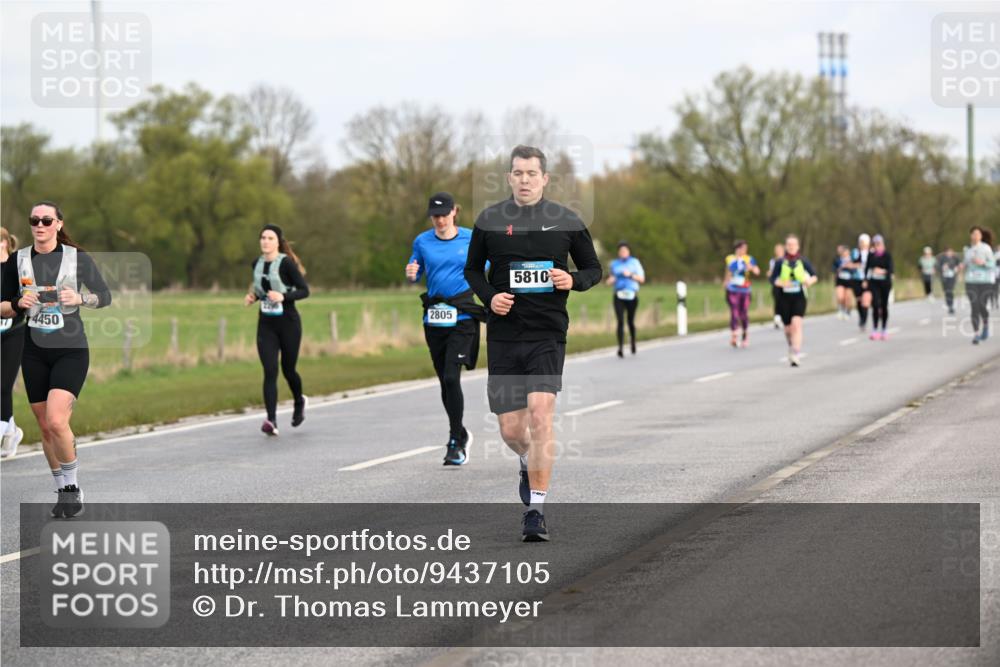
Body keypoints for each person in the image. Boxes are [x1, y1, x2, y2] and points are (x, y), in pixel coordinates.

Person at [464, 145, 602, 542]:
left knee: (541, 415)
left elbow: (593, 268)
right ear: (509, 177)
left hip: (547, 333)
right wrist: (490, 297)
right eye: (518, 173)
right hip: (504, 336)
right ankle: (526, 459)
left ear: (544, 178)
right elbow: (472, 271)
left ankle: (536, 511)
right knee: (511, 429)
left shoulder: (566, 220)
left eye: (531, 173)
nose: (524, 180)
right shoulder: (490, 220)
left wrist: (573, 280)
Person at [2, 201, 112, 517]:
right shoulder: (18, 260)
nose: (40, 225)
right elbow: (2, 306)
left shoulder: (77, 258)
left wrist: (79, 297)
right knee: (45, 427)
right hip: (34, 350)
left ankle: (74, 487)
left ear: (58, 224)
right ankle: (63, 490)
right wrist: (18, 303)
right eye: (34, 220)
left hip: (70, 349)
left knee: (56, 420)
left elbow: (104, 297)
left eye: (46, 220)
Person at [406, 192, 486, 466]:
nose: (439, 220)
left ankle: (455, 441)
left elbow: (488, 265)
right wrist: (412, 273)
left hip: (462, 316)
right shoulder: (422, 241)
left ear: (454, 212)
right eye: (435, 216)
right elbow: (416, 269)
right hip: (435, 318)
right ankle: (460, 431)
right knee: (444, 380)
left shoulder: (471, 238)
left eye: (443, 215)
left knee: (452, 377)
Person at [244, 224, 309, 436]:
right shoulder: (256, 263)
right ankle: (271, 420)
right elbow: (261, 288)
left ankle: (299, 401)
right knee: (270, 370)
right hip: (266, 325)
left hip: (288, 323)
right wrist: (253, 297)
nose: (265, 241)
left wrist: (283, 296)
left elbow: (304, 291)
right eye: (263, 237)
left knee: (288, 370)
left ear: (278, 242)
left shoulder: (287, 264)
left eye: (270, 238)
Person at [770, 234, 818, 367]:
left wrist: (809, 282)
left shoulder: (803, 261)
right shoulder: (780, 262)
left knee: (796, 324)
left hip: (799, 296)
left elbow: (814, 276)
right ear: (786, 246)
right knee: (788, 329)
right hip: (784, 297)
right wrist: (781, 283)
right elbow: (772, 279)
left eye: (793, 245)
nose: (791, 247)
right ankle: (791, 346)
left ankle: (796, 353)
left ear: (798, 246)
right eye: (789, 245)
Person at [0, 227, 25, 458]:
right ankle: (11, 431)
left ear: (5, 243)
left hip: (15, 332)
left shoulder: (17, 267)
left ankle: (4, 431)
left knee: (4, 386)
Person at [606, 241, 645, 357]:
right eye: (621, 251)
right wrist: (611, 280)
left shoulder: (635, 262)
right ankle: (620, 347)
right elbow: (609, 280)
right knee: (620, 321)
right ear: (618, 252)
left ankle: (633, 341)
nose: (623, 252)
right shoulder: (614, 264)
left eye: (625, 250)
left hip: (631, 294)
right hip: (619, 295)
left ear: (629, 251)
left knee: (630, 321)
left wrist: (630, 275)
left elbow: (642, 279)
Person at [960, 226, 996, 344]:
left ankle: (985, 326)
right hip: (971, 281)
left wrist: (983, 263)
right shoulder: (967, 250)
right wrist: (961, 266)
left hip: (985, 281)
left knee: (982, 306)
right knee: (974, 307)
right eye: (973, 234)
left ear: (981, 236)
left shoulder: (986, 248)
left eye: (977, 234)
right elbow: (965, 263)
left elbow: (992, 264)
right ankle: (976, 334)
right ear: (970, 236)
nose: (975, 236)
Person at [723, 240, 759, 347]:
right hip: (733, 289)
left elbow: (757, 271)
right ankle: (734, 335)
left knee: (743, 313)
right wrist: (726, 281)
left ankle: (745, 335)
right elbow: (729, 270)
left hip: (745, 289)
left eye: (745, 249)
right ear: (737, 249)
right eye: (742, 248)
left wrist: (751, 267)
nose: (744, 251)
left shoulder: (749, 259)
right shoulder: (730, 258)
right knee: (734, 312)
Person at [865, 234, 895, 340]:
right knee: (875, 305)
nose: (877, 246)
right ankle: (874, 329)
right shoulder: (871, 255)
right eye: (875, 244)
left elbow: (891, 270)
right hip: (874, 283)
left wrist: (882, 271)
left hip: (885, 283)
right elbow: (867, 268)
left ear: (883, 244)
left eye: (879, 244)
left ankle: (884, 329)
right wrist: (865, 280)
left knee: (884, 306)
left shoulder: (887, 255)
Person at [848, 233, 873, 333]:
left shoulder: (871, 253)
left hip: (868, 279)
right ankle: (861, 317)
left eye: (864, 242)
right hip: (856, 279)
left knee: (865, 301)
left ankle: (864, 321)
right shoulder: (855, 252)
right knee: (859, 300)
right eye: (861, 242)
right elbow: (850, 264)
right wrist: (856, 265)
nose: (862, 244)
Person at [937, 247, 961, 315]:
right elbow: (937, 266)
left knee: (950, 290)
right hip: (944, 277)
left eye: (950, 252)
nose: (949, 253)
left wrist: (957, 269)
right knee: (946, 291)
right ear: (945, 252)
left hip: (952, 277)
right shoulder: (941, 258)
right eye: (948, 252)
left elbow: (959, 265)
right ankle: (949, 304)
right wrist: (942, 268)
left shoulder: (955, 258)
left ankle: (951, 306)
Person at [833, 244, 854, 321]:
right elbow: (834, 269)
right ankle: (840, 309)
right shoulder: (838, 260)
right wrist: (840, 268)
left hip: (849, 280)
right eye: (844, 252)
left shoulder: (852, 260)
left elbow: (855, 269)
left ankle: (847, 311)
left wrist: (850, 267)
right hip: (840, 280)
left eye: (846, 252)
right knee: (840, 297)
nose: (845, 253)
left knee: (847, 298)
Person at [768, 243, 785, 329]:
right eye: (776, 250)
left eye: (779, 250)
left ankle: (785, 318)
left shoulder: (787, 260)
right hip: (777, 284)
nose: (778, 252)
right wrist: (770, 274)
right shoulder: (773, 261)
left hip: (786, 284)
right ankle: (777, 320)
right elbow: (771, 272)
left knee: (785, 302)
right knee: (778, 302)